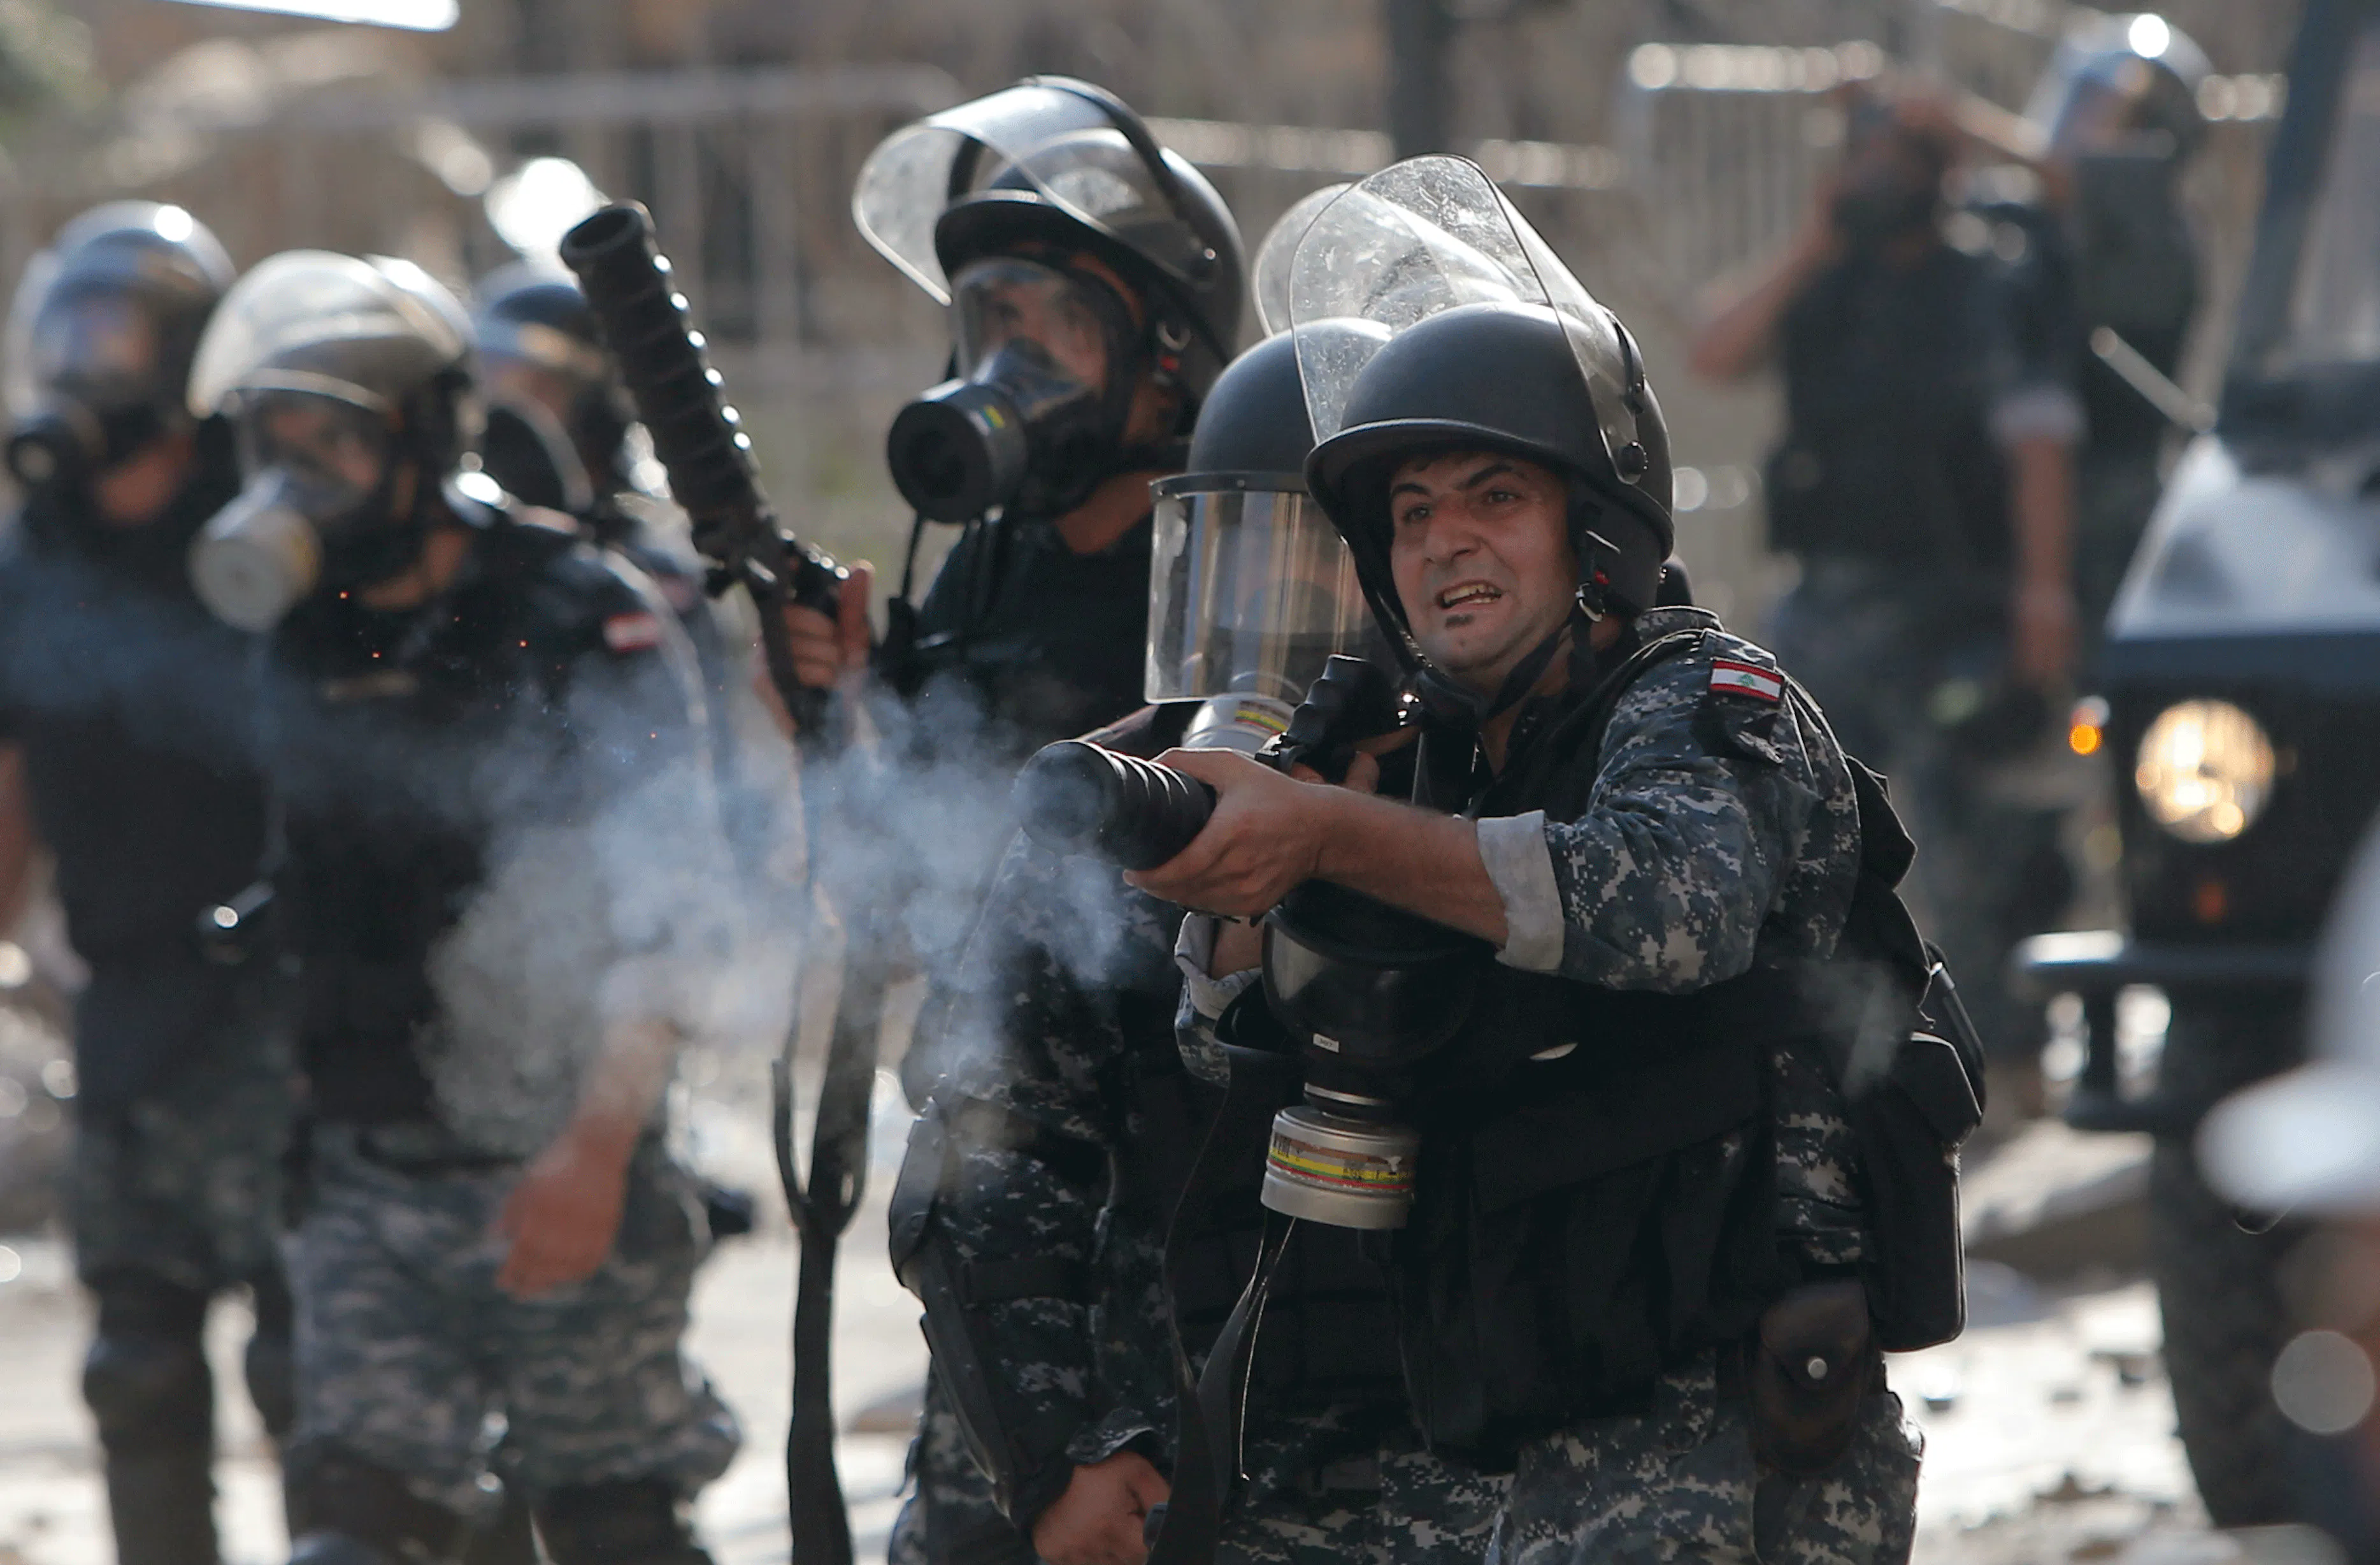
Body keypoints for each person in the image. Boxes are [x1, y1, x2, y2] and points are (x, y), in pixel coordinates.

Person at [1133, 156, 1926, 1564]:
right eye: (1410, 514)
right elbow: (1233, 1055)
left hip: (1726, 1425)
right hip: (1532, 1417)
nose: (1446, 544)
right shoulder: (1441, 764)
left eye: (1493, 497)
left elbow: (1667, 906)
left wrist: (1332, 834)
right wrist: (1255, 897)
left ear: (1594, 525)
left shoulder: (1699, 701)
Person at [890, 322, 1512, 1565]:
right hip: (1180, 1462)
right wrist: (1056, 1459)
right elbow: (988, 1159)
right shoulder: (1114, 804)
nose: (1278, 611)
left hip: (1477, 1469)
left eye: (1320, 566)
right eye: (1246, 558)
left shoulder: (1512, 802)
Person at [182, 249, 740, 1565]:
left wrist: (594, 1156)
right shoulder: (304, 632)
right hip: (367, 1171)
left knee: (613, 1526)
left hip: (563, 1165)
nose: (297, 474)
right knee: (355, 1525)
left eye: (332, 439)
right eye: (276, 439)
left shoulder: (578, 610)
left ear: (422, 435)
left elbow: (678, 910)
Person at [1686, 81, 2081, 1108]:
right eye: (1861, 159)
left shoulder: (1991, 281)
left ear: (1942, 173)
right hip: (1829, 606)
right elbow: (1713, 351)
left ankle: (2003, 1064)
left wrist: (2043, 600)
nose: (1875, 180)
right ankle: (1821, 1060)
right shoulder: (1825, 282)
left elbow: (2039, 445)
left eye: (1898, 161)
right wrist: (1813, 243)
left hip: (1955, 606)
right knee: (1798, 831)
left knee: (1971, 844)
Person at [0, 201, 288, 1565]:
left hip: (293, 1012)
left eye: (115, 335)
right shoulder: (36, 551)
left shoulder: (271, 523)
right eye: (71, 330)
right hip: (127, 1012)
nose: (85, 363)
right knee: (138, 1372)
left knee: (325, 1381)